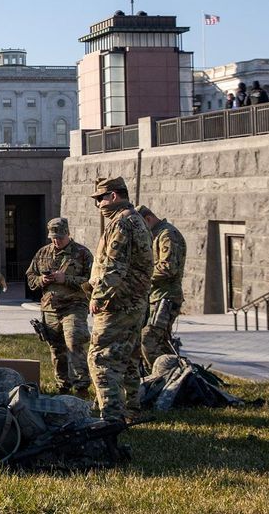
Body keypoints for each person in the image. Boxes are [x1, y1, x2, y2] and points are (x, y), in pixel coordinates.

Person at [86, 177, 153, 423]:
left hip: (118, 303)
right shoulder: (134, 219)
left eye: (101, 198)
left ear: (114, 196)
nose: (99, 205)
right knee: (128, 356)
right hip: (134, 302)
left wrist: (99, 296)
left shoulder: (122, 223)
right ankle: (132, 410)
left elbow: (115, 267)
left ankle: (111, 416)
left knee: (100, 358)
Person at [25, 217, 93, 396]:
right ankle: (63, 385)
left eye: (60, 237)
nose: (56, 241)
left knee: (74, 342)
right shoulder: (43, 253)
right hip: (50, 308)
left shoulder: (82, 253)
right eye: (53, 237)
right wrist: (41, 280)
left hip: (74, 306)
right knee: (56, 348)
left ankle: (82, 386)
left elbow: (93, 282)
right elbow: (30, 277)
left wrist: (67, 279)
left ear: (68, 234)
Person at [136, 205, 186, 367]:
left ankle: (167, 377)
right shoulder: (154, 234)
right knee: (160, 343)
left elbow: (168, 267)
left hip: (165, 297)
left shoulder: (168, 235)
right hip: (153, 296)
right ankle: (170, 377)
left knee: (149, 340)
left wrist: (140, 274)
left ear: (148, 219)